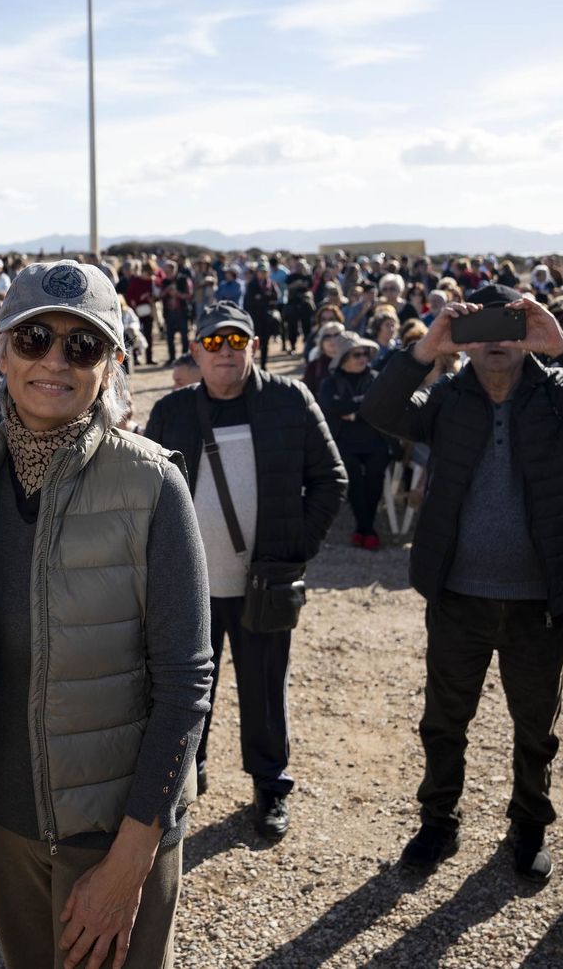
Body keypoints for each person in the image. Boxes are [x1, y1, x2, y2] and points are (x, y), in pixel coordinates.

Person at [0, 260, 211, 968]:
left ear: (111, 366)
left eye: (83, 346)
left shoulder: (152, 483)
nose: (54, 362)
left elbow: (187, 686)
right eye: (36, 337)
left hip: (113, 830)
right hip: (3, 820)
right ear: (1, 349)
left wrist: (132, 857)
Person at [361, 283, 563, 881]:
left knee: (535, 726)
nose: (496, 341)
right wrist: (423, 352)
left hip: (539, 602)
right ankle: (438, 822)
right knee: (444, 720)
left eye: (509, 326)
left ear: (527, 333)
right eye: (481, 328)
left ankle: (528, 827)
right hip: (459, 595)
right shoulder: (448, 396)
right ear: (463, 340)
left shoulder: (557, 394)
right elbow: (382, 413)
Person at [144, 300, 346, 834]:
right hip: (189, 587)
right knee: (185, 691)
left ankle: (269, 786)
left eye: (236, 341)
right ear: (195, 351)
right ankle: (188, 774)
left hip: (265, 583)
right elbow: (145, 493)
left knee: (263, 688)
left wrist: (294, 546)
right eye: (213, 343)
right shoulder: (172, 411)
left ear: (254, 347)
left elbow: (331, 479)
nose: (225, 352)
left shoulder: (290, 400)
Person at [320, 331, 394, 548]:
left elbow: (380, 408)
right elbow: (330, 409)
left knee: (375, 476)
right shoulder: (330, 383)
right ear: (344, 359)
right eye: (357, 355)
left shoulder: (375, 378)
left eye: (365, 354)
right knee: (353, 478)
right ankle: (368, 530)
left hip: (375, 440)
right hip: (343, 441)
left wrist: (354, 413)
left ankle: (364, 529)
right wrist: (361, 410)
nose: (363, 359)